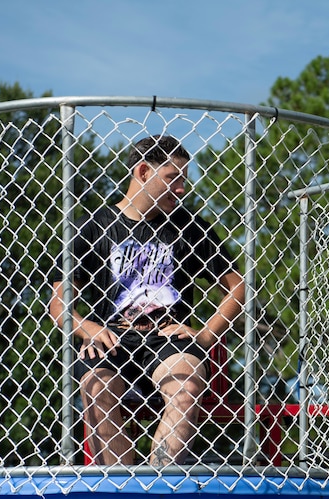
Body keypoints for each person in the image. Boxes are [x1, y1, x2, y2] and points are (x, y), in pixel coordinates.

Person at [49, 135, 245, 467]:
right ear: (142, 172)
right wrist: (87, 328)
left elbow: (238, 287)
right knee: (97, 387)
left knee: (186, 385)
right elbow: (58, 304)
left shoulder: (189, 227)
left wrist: (205, 336)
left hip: (166, 338)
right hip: (111, 339)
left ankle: (158, 486)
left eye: (184, 179)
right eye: (173, 178)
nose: (182, 188)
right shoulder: (92, 227)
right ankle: (124, 493)